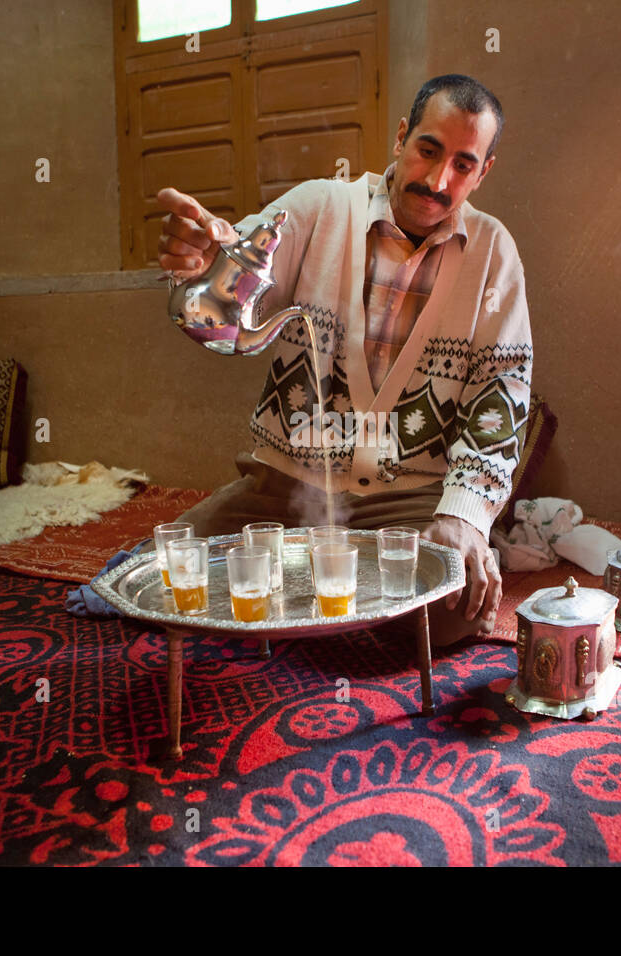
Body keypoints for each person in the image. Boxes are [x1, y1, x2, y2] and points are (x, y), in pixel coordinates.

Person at [156, 74, 532, 645]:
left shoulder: (493, 252)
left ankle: (323, 605)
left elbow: (501, 395)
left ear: (484, 172)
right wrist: (204, 267)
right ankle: (333, 604)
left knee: (451, 612)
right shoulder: (316, 208)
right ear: (401, 138)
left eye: (462, 164)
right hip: (284, 491)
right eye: (428, 150)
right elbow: (230, 299)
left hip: (409, 503)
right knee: (178, 578)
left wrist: (462, 516)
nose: (437, 180)